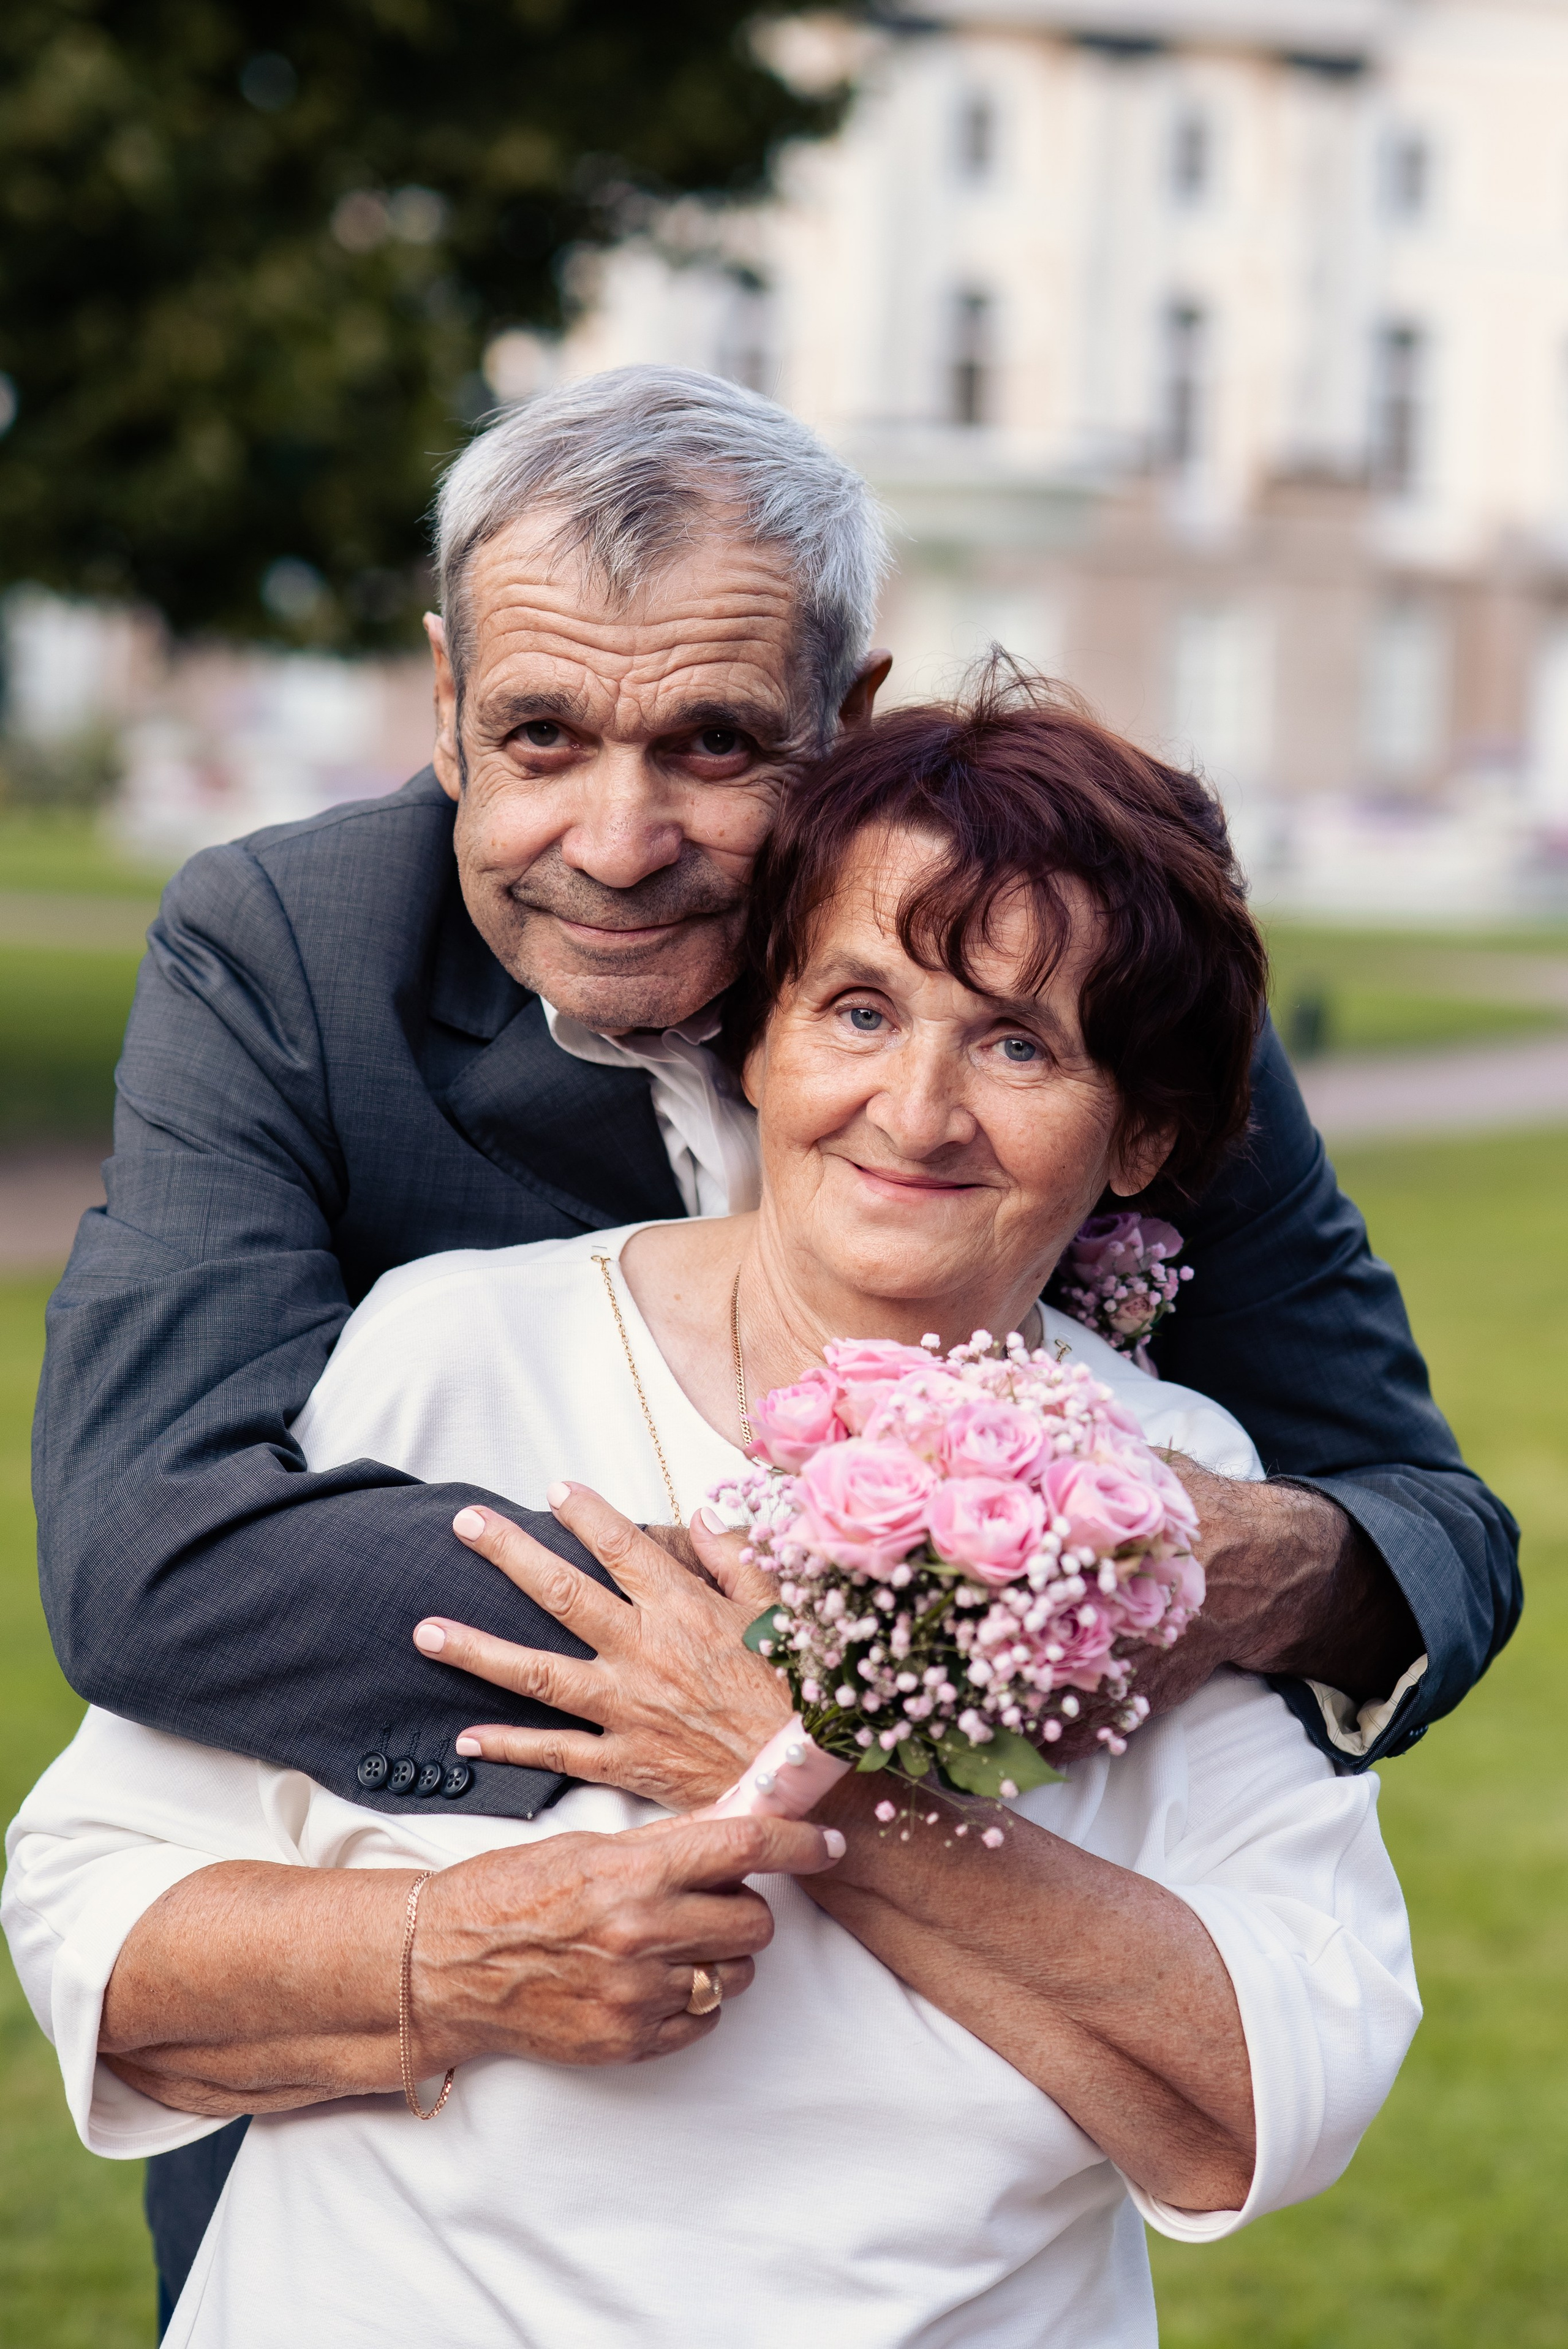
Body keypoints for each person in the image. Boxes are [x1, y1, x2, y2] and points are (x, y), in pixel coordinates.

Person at [28, 368, 1512, 2308]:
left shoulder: (1085, 964)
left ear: (847, 722)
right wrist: (792, 1638)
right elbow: (147, 1558)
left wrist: (1150, 1556)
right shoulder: (306, 976)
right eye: (541, 735)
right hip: (394, 2147)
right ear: (450, 706)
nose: (620, 838)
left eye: (716, 744)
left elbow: (1418, 1527)